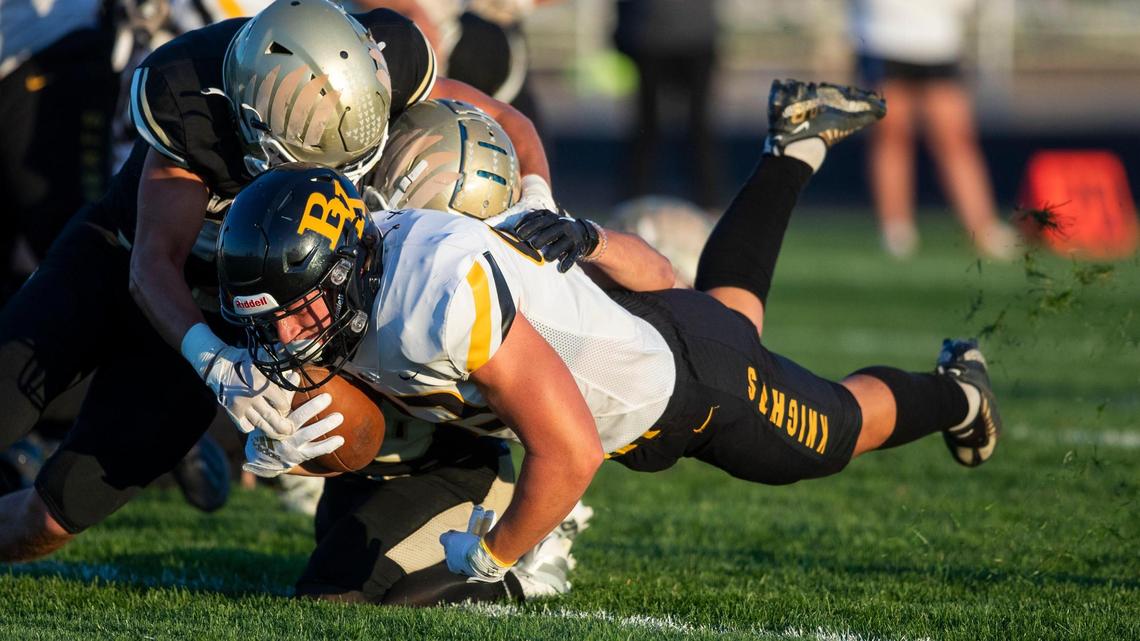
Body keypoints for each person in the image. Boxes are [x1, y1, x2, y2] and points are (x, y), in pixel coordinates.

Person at [215, 79, 1004, 582]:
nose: (286, 327)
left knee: (833, 430)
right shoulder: (360, 265)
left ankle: (955, 388)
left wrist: (495, 552)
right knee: (729, 313)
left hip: (690, 384)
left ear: (347, 264)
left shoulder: (435, 293)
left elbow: (570, 451)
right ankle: (793, 143)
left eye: (294, 306)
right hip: (654, 332)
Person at [0, 0, 552, 563]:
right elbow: (151, 264)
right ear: (252, 121)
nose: (347, 181)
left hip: (237, 307)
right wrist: (216, 363)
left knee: (51, 519)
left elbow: (504, 119)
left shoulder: (388, 59)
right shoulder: (191, 95)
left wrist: (537, 194)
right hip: (120, 262)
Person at [849, 0, 1018, 259]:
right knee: (892, 134)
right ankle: (896, 230)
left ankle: (982, 228)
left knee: (955, 137)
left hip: (940, 41)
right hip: (880, 37)